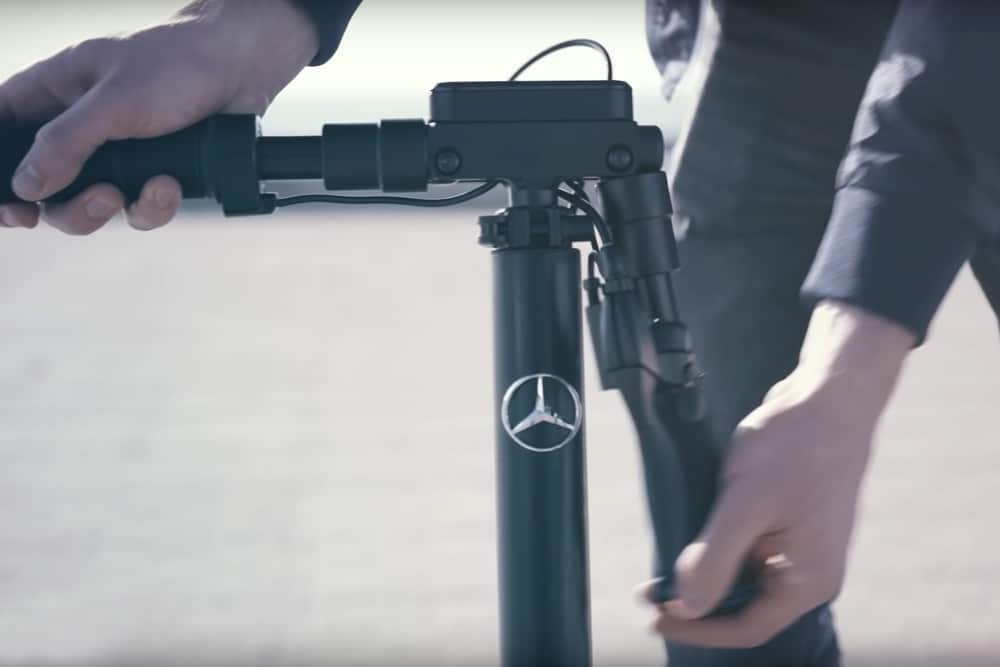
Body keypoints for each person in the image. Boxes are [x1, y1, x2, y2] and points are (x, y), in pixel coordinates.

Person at [1, 1, 997, 665]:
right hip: (779, 36)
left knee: (772, 500)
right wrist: (251, 23)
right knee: (730, 587)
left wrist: (842, 380)